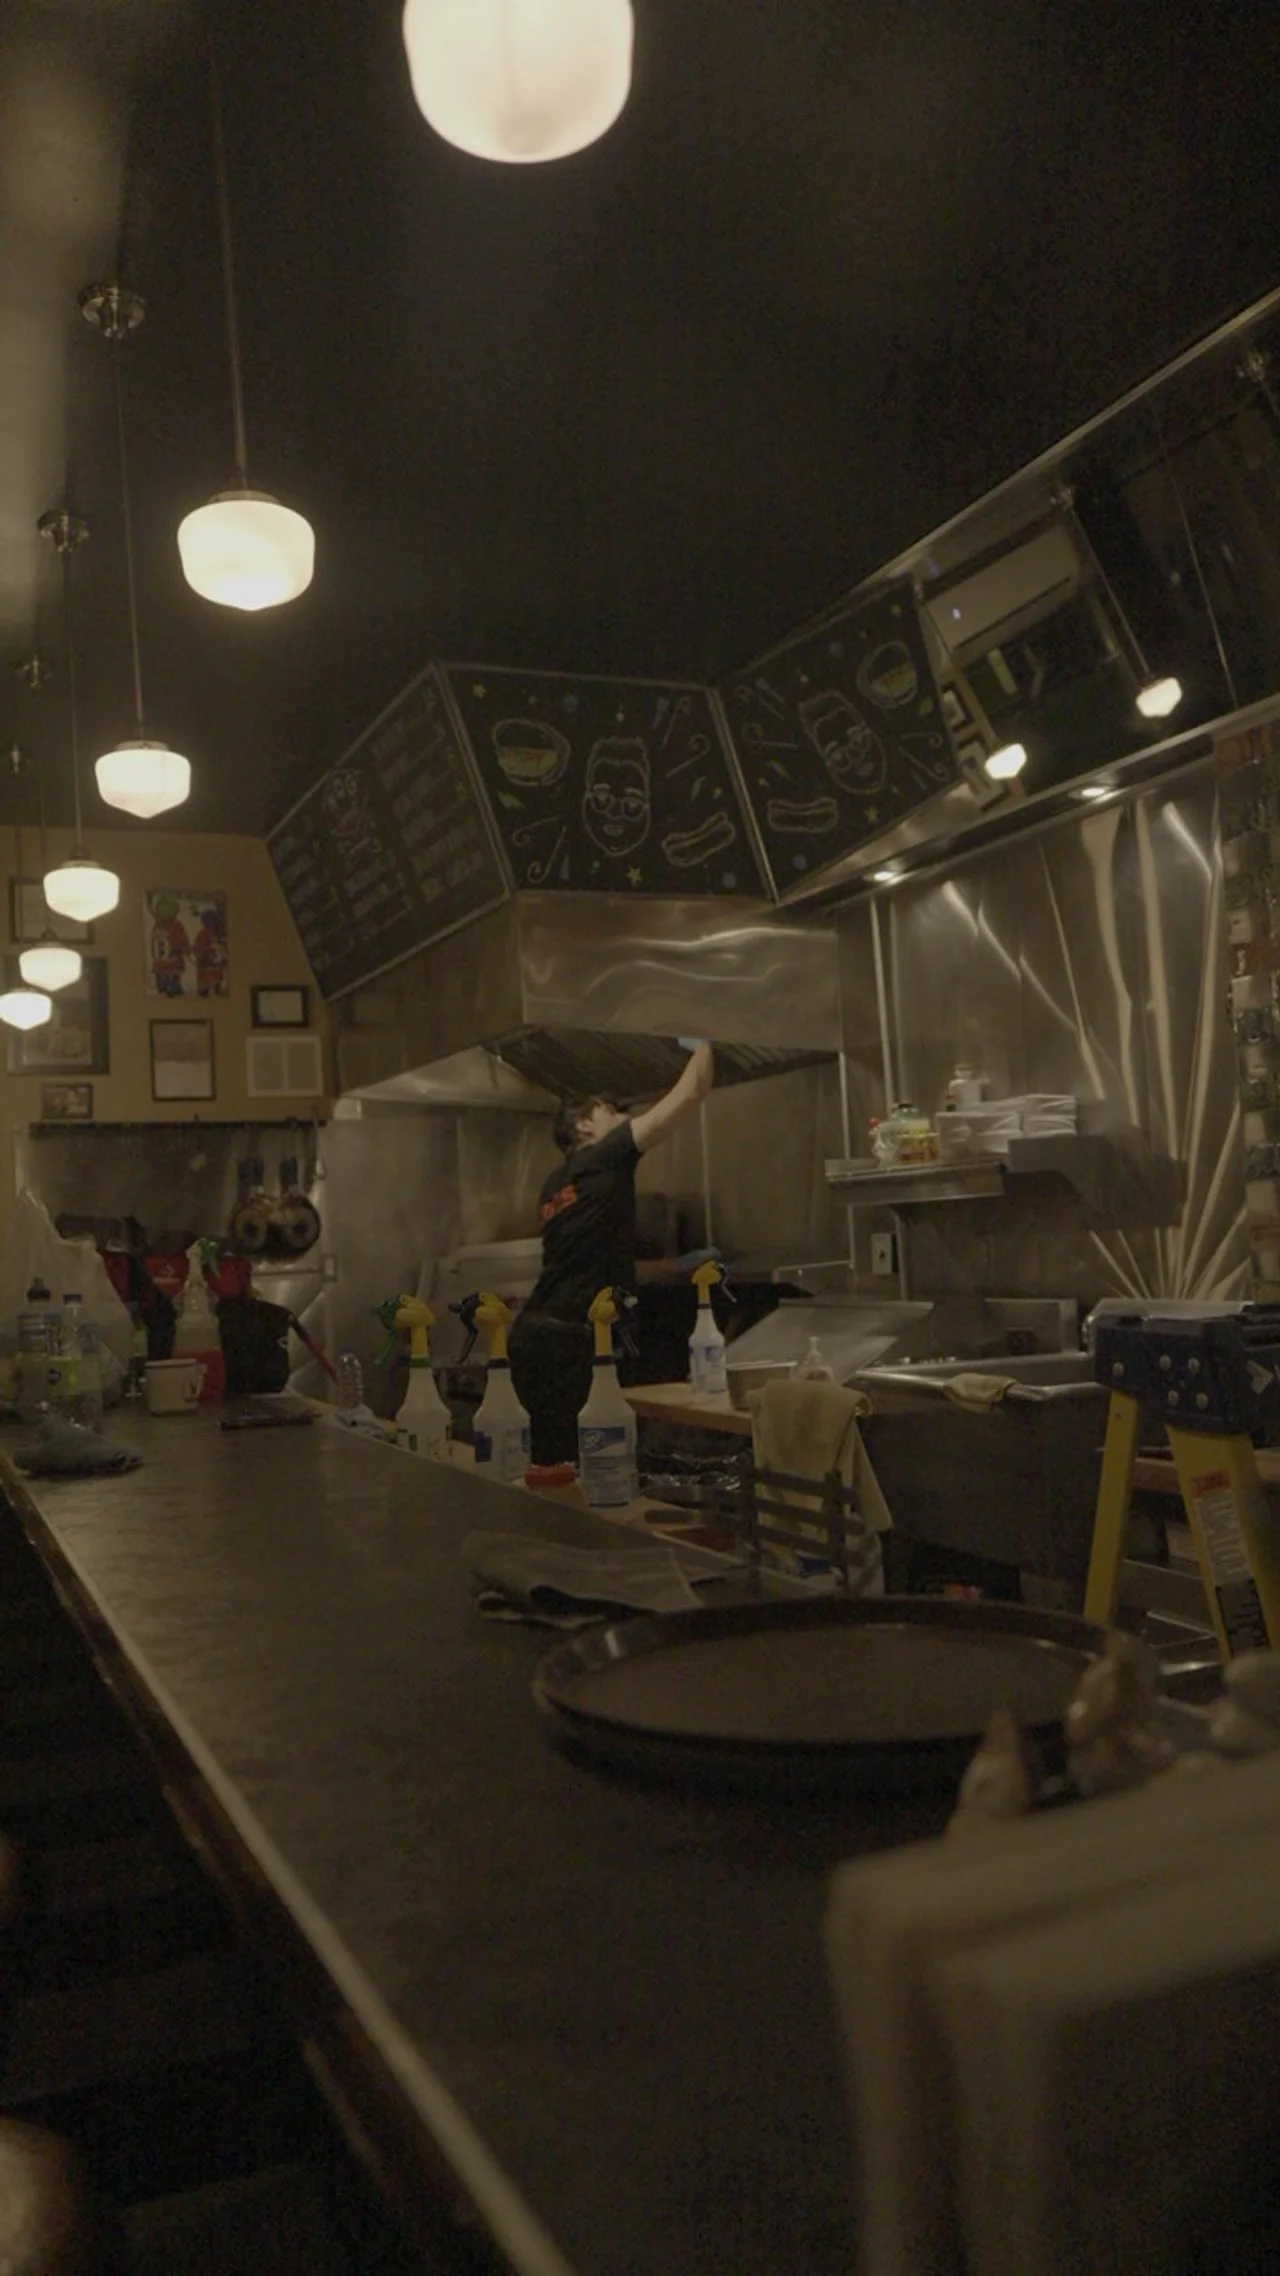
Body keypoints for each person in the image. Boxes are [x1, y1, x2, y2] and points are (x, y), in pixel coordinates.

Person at [508, 1042, 715, 1463]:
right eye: (610, 1111)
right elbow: (691, 1091)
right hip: (572, 1346)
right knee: (595, 1469)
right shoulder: (606, 1156)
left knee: (553, 1472)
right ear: (584, 1127)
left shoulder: (556, 1185)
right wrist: (705, 1030)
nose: (623, 1119)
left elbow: (595, 1259)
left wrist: (678, 1267)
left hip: (538, 1338)